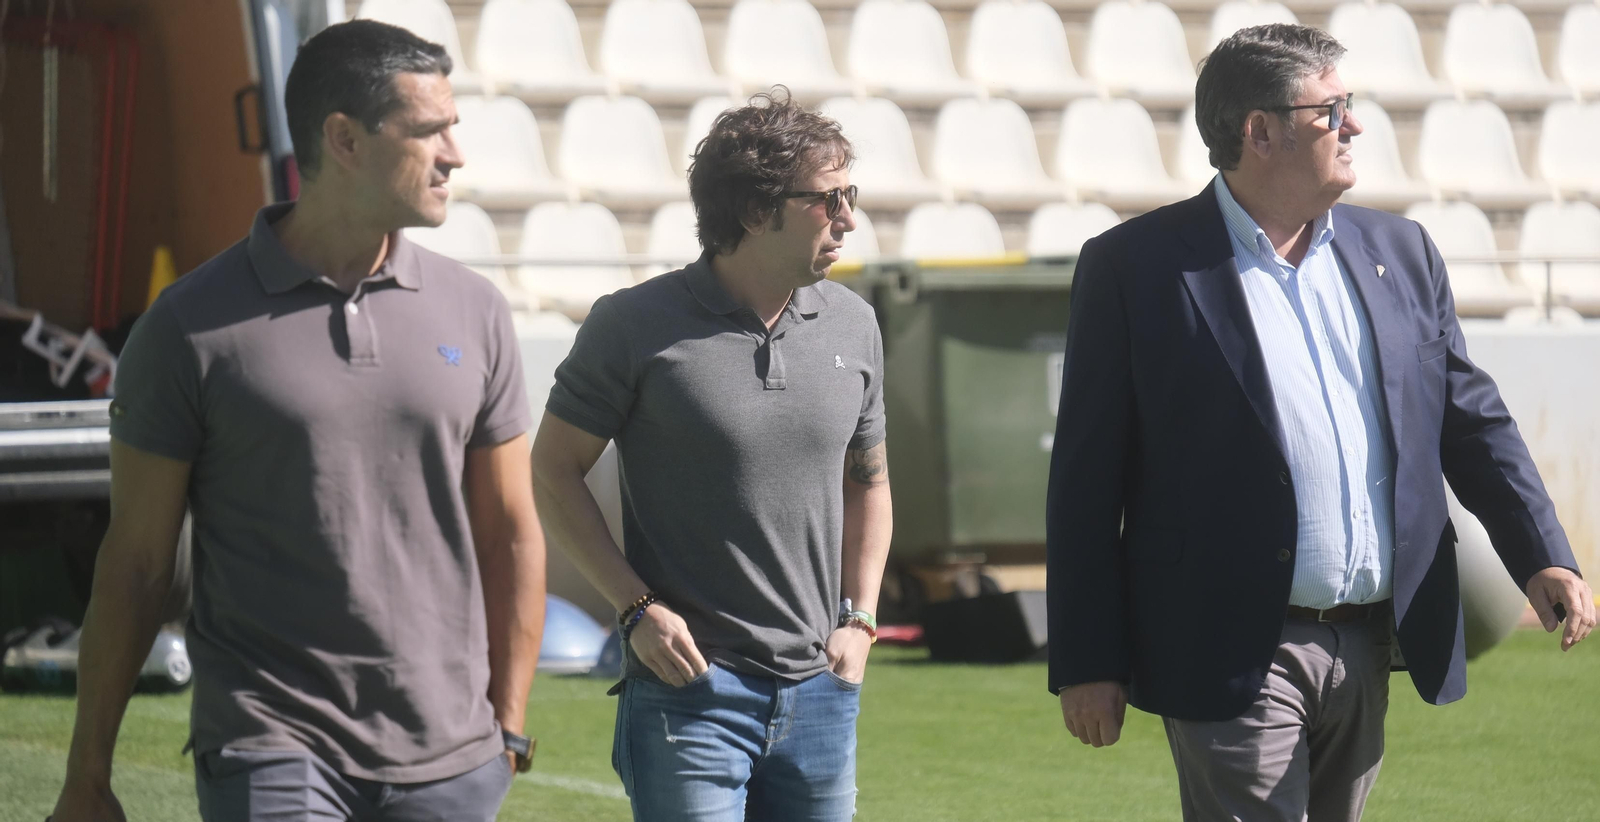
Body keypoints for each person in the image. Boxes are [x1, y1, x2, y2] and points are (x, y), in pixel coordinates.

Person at [1045, 23, 1594, 822]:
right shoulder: (1136, 267)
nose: (1355, 125)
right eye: (1331, 109)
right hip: (1229, 645)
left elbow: (1471, 420)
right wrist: (1089, 660)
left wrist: (1541, 552)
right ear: (1257, 131)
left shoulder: (1401, 250)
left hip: (1372, 641)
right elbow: (1086, 481)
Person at [49, 20, 546, 822]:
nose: (456, 154)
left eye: (454, 128)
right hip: (271, 744)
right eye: (429, 131)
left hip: (452, 760)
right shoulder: (186, 328)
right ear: (343, 139)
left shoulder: (477, 313)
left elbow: (513, 532)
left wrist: (510, 726)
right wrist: (87, 773)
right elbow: (138, 563)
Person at [531, 88, 892, 822]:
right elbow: (552, 470)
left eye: (850, 194)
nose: (849, 218)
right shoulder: (631, 326)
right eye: (827, 201)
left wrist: (861, 621)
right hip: (688, 690)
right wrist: (635, 609)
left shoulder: (853, 323)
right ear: (755, 212)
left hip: (823, 690)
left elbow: (871, 483)